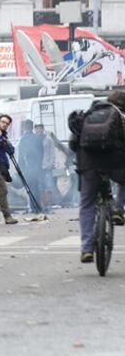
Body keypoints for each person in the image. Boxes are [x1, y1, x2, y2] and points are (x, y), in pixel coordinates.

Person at [69, 90, 125, 264]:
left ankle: (86, 249)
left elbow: (73, 143)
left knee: (87, 204)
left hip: (89, 165)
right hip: (115, 164)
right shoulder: (120, 116)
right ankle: (118, 208)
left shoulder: (88, 115)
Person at [17, 119, 44, 213]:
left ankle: (33, 207)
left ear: (24, 127)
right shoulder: (37, 138)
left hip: (27, 167)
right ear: (32, 127)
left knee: (30, 188)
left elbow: (21, 155)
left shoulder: (23, 139)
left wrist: (20, 168)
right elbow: (41, 152)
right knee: (36, 187)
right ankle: (37, 208)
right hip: (36, 166)